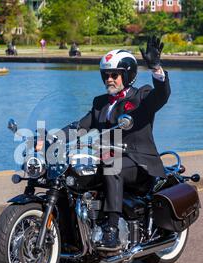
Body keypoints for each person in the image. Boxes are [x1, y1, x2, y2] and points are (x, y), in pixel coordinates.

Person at [37, 36, 170, 250]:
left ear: (128, 76)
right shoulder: (100, 103)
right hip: (108, 158)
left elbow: (161, 96)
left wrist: (156, 69)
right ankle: (70, 230)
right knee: (70, 173)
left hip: (138, 161)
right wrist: (50, 138)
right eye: (106, 75)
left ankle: (112, 229)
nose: (109, 79)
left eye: (115, 75)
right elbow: (79, 126)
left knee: (111, 164)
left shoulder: (141, 96)